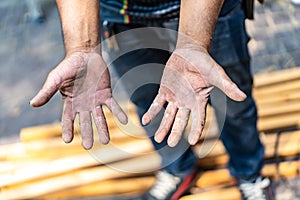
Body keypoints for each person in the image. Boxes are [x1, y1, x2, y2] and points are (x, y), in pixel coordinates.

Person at [30, 0, 274, 199]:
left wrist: (194, 44)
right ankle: (178, 168)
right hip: (122, 14)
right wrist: (82, 48)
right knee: (149, 101)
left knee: (232, 103)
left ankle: (248, 172)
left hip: (210, 9)